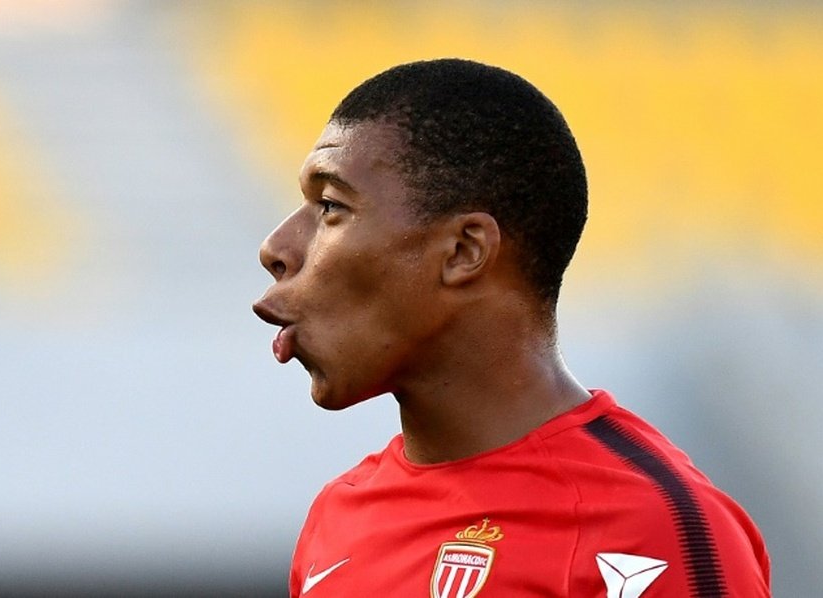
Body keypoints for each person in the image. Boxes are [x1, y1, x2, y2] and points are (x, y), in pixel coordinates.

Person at [252, 59, 770, 598]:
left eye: (331, 206)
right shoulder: (338, 518)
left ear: (464, 251)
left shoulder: (648, 533)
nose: (277, 248)